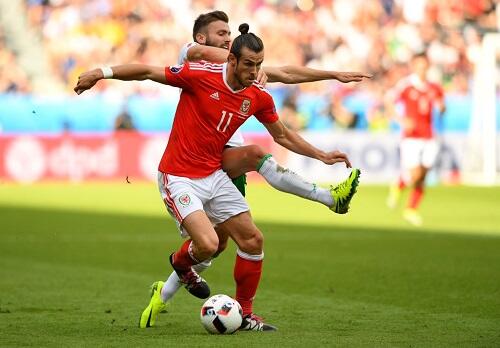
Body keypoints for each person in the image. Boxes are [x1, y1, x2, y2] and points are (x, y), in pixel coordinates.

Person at [75, 24, 361, 331]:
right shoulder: (200, 75)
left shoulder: (258, 96)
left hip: (213, 173)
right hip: (178, 176)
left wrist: (322, 155)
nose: (255, 71)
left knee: (252, 240)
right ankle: (181, 263)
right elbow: (146, 71)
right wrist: (100, 72)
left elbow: (282, 135)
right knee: (209, 245)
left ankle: (246, 315)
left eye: (259, 65)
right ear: (232, 61)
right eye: (249, 64)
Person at [386, 53, 446, 226]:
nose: (422, 69)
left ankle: (411, 209)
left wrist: (441, 108)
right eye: (419, 66)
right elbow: (388, 101)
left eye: (424, 66)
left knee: (423, 175)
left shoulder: (434, 87)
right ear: (414, 66)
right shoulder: (406, 85)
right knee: (415, 174)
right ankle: (399, 184)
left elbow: (442, 107)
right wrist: (401, 120)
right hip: (411, 137)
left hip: (429, 136)